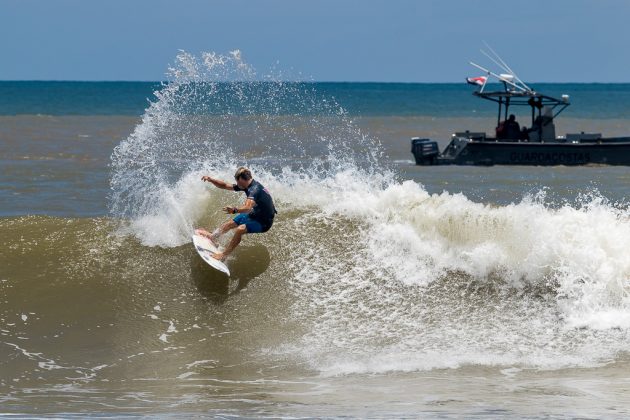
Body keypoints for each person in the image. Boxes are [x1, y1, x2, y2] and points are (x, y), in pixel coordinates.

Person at [197, 167, 276, 261]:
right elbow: (225, 185)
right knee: (230, 224)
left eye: (237, 181)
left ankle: (224, 255)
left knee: (240, 229)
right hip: (256, 213)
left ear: (242, 179)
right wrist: (211, 180)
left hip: (264, 222)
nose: (237, 184)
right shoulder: (247, 185)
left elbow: (247, 207)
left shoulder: (254, 190)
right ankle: (213, 237)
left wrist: (235, 210)